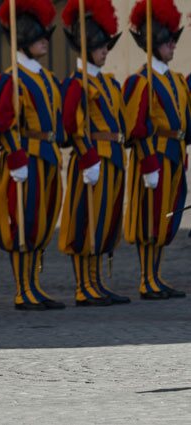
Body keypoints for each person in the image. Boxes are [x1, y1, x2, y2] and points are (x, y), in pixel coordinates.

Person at [0, 0, 66, 311]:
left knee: (44, 221)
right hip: (26, 158)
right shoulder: (11, 78)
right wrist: (16, 155)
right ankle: (23, 289)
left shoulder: (46, 78)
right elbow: (2, 122)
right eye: (39, 36)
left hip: (47, 156)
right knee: (25, 221)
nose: (45, 41)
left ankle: (35, 284)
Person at [59, 0, 130, 306]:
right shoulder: (79, 83)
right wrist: (88, 157)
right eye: (100, 46)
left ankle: (97, 281)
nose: (104, 51)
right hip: (92, 159)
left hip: (112, 157)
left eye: (106, 46)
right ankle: (83, 286)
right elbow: (72, 125)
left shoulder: (108, 82)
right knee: (85, 221)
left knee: (104, 222)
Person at [123, 0, 188, 300]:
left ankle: (157, 275)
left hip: (175, 154)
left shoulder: (177, 80)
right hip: (154, 156)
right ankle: (146, 279)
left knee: (166, 218)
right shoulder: (140, 80)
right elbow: (136, 126)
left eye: (173, 40)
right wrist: (148, 162)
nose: (173, 46)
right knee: (150, 219)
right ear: (154, 43)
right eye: (168, 41)